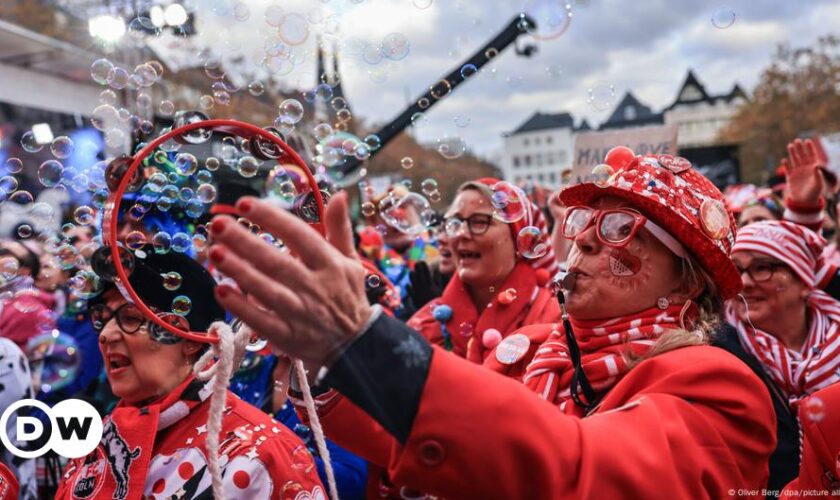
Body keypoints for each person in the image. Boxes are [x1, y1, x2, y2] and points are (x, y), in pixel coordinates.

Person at [208, 152, 776, 498]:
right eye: (582, 221)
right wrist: (330, 365)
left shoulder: (719, 387)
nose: (580, 238)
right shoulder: (535, 352)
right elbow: (430, 439)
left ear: (687, 281)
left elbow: (580, 469)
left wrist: (367, 341)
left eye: (620, 228)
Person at [55, 247, 325, 500]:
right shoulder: (99, 441)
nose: (105, 334)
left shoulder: (258, 453)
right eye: (102, 318)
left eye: (130, 318)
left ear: (191, 340)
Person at [724, 220, 840, 493]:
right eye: (736, 270)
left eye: (762, 268)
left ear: (803, 282)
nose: (745, 282)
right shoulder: (716, 352)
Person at [405, 178, 560, 367]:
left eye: (479, 222)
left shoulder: (557, 323)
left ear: (520, 240)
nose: (461, 233)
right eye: (454, 222)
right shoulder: (422, 326)